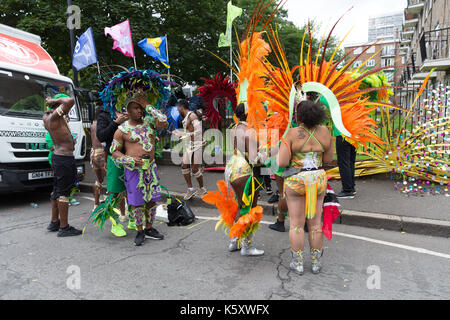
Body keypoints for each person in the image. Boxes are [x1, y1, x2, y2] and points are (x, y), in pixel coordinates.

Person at [277, 100, 334, 275]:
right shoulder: (326, 133)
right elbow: (328, 160)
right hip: (318, 179)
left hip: (297, 180)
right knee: (316, 223)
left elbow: (282, 162)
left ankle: (298, 263)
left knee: (296, 224)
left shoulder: (291, 134)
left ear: (299, 116)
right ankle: (316, 263)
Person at [111, 93, 168, 246]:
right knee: (136, 202)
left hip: (150, 169)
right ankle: (139, 230)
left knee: (152, 200)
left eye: (140, 108)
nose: (140, 110)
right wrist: (129, 159)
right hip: (134, 170)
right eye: (136, 108)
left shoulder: (150, 123)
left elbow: (164, 121)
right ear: (128, 111)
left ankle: (149, 228)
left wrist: (148, 105)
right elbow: (114, 151)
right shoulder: (122, 130)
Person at [224, 103, 265, 256]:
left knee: (240, 205)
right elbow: (255, 159)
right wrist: (266, 155)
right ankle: (247, 247)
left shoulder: (234, 128)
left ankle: (234, 241)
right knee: (250, 208)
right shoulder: (249, 131)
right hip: (244, 172)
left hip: (232, 169)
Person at [43, 94, 82, 237]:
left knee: (57, 190)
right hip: (63, 159)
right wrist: (55, 101)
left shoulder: (47, 117)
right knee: (64, 193)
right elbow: (69, 101)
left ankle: (54, 222)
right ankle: (64, 227)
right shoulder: (54, 117)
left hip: (59, 158)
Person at [96, 102, 129, 236]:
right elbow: (102, 136)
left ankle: (132, 218)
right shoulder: (104, 115)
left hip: (131, 159)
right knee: (114, 192)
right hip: (114, 159)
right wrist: (116, 122)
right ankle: (115, 224)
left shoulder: (128, 110)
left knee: (131, 189)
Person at [175, 99, 206, 200]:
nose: (177, 110)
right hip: (190, 145)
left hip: (197, 145)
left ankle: (202, 188)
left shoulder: (192, 116)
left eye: (177, 108)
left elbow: (198, 132)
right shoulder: (187, 117)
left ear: (181, 107)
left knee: (194, 169)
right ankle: (190, 189)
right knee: (184, 166)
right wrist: (180, 134)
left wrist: (183, 135)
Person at [90, 106, 107, 209]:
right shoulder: (102, 123)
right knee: (110, 179)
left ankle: (96, 203)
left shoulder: (92, 124)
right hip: (103, 153)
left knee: (98, 180)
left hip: (94, 153)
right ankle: (114, 205)